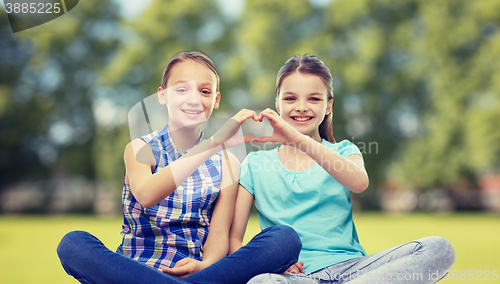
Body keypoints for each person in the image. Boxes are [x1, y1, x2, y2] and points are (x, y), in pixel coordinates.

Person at [57, 51, 301, 284]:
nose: (194, 98)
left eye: (204, 91)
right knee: (73, 243)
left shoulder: (228, 164)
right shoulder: (140, 148)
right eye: (182, 89)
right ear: (162, 96)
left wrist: (206, 265)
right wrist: (212, 144)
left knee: (284, 239)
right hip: (135, 270)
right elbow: (147, 195)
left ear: (215, 100)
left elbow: (219, 235)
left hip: (197, 271)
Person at [229, 54, 455, 284]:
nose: (301, 107)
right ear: (277, 103)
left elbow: (359, 183)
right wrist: (271, 264)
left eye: (314, 99)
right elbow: (234, 240)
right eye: (290, 98)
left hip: (354, 271)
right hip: (294, 278)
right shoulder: (255, 165)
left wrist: (299, 140)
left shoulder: (344, 152)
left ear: (329, 105)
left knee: (439, 248)